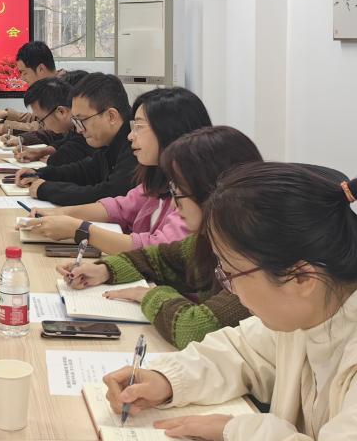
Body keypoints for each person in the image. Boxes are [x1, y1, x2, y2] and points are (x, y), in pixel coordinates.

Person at [102, 164, 357, 441]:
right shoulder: (325, 305)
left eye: (229, 274)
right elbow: (244, 350)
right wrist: (167, 379)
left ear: (301, 277)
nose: (229, 287)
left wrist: (236, 431)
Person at [59, 126, 260, 349]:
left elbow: (193, 329)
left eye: (179, 192)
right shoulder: (208, 241)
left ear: (212, 191)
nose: (174, 203)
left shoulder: (252, 262)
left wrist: (151, 294)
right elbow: (156, 258)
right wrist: (104, 270)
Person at [21, 86, 211, 253]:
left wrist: (79, 229)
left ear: (169, 129)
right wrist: (61, 214)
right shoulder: (159, 177)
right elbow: (120, 207)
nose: (131, 136)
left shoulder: (193, 193)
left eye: (139, 127)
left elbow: (159, 250)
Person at [12, 73, 137, 206]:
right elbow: (86, 170)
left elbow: (109, 194)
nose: (78, 130)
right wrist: (40, 174)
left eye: (82, 120)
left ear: (111, 116)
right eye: (76, 121)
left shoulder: (135, 144)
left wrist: (46, 189)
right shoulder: (110, 141)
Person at [0, 41, 64, 135]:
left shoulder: (64, 89)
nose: (22, 78)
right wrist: (7, 114)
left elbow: (47, 129)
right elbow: (39, 119)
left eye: (24, 73)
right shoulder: (51, 86)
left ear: (41, 69)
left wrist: (6, 128)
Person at [11, 77, 92, 168]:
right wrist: (40, 152)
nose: (42, 125)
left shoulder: (88, 129)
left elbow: (74, 147)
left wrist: (51, 159)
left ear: (61, 112)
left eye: (41, 120)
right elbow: (65, 141)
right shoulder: (73, 125)